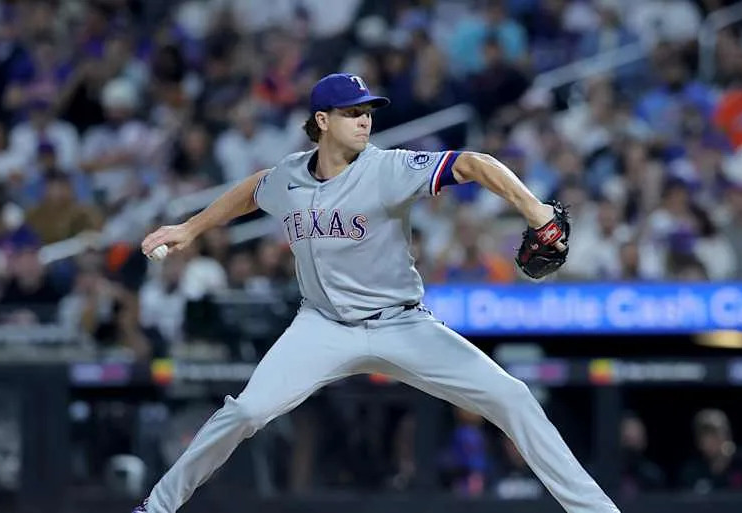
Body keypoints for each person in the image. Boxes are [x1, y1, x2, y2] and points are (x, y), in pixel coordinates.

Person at [134, 73, 619, 513]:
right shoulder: (289, 176)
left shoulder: (388, 168)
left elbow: (472, 163)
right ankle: (156, 508)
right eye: (351, 112)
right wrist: (191, 228)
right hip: (321, 326)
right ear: (322, 121)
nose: (364, 120)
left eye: (367, 111)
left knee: (512, 397)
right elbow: (256, 188)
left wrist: (535, 212)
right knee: (245, 411)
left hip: (401, 324)